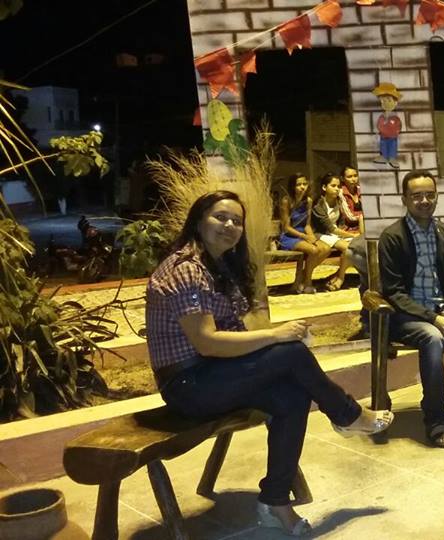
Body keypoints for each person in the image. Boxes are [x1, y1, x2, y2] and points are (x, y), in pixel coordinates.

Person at [145, 191, 392, 536]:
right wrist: (276, 337)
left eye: (236, 221)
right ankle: (347, 414)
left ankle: (275, 501)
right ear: (198, 221)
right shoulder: (186, 269)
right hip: (188, 385)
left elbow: (232, 337)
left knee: (292, 395)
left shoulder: (218, 266)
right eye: (220, 217)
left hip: (214, 373)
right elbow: (207, 342)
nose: (229, 225)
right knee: (290, 352)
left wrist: (279, 338)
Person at [378, 170, 444, 449]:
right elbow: (394, 293)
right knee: (433, 338)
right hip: (406, 317)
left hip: (442, 311)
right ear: (404, 199)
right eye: (416, 196)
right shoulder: (392, 237)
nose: (424, 201)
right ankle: (435, 419)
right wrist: (433, 318)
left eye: (429, 195)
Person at [311, 173, 359, 291]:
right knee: (349, 248)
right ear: (324, 187)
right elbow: (330, 228)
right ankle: (340, 278)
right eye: (333, 186)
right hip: (320, 233)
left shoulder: (338, 201)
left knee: (358, 246)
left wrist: (348, 234)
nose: (337, 189)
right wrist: (352, 235)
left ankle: (337, 276)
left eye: (338, 186)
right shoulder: (318, 204)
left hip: (334, 234)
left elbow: (340, 223)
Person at [277, 173, 324, 294]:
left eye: (304, 184)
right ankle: (308, 281)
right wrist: (305, 237)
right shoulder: (287, 201)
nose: (302, 187)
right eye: (298, 184)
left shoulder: (308, 201)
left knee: (325, 249)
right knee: (314, 250)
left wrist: (311, 236)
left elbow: (307, 224)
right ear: (293, 186)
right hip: (289, 237)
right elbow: (286, 227)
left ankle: (301, 278)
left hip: (303, 234)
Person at [372, 83, 402, 168]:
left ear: (395, 103)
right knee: (383, 145)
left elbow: (398, 126)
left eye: (388, 100)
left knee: (392, 146)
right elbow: (379, 125)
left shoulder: (395, 117)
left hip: (392, 137)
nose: (385, 103)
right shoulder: (382, 116)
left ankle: (392, 158)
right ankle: (384, 156)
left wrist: (395, 130)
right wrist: (380, 128)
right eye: (383, 101)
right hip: (383, 136)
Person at [340, 166, 364, 234]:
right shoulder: (341, 193)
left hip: (364, 225)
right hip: (348, 230)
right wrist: (363, 216)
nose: (353, 179)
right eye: (349, 177)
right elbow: (349, 217)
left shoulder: (361, 189)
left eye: (355, 176)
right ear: (342, 178)